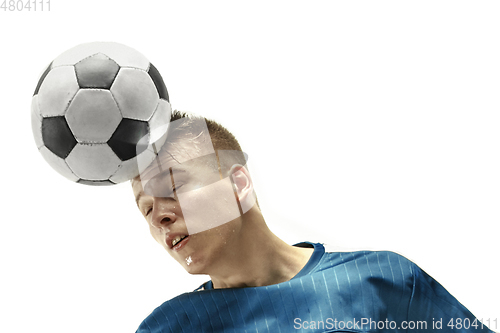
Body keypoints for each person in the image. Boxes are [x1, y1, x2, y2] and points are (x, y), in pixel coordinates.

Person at [132, 111, 494, 333]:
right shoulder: (168, 326)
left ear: (237, 185)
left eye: (174, 187)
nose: (160, 215)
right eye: (146, 209)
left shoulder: (383, 280)